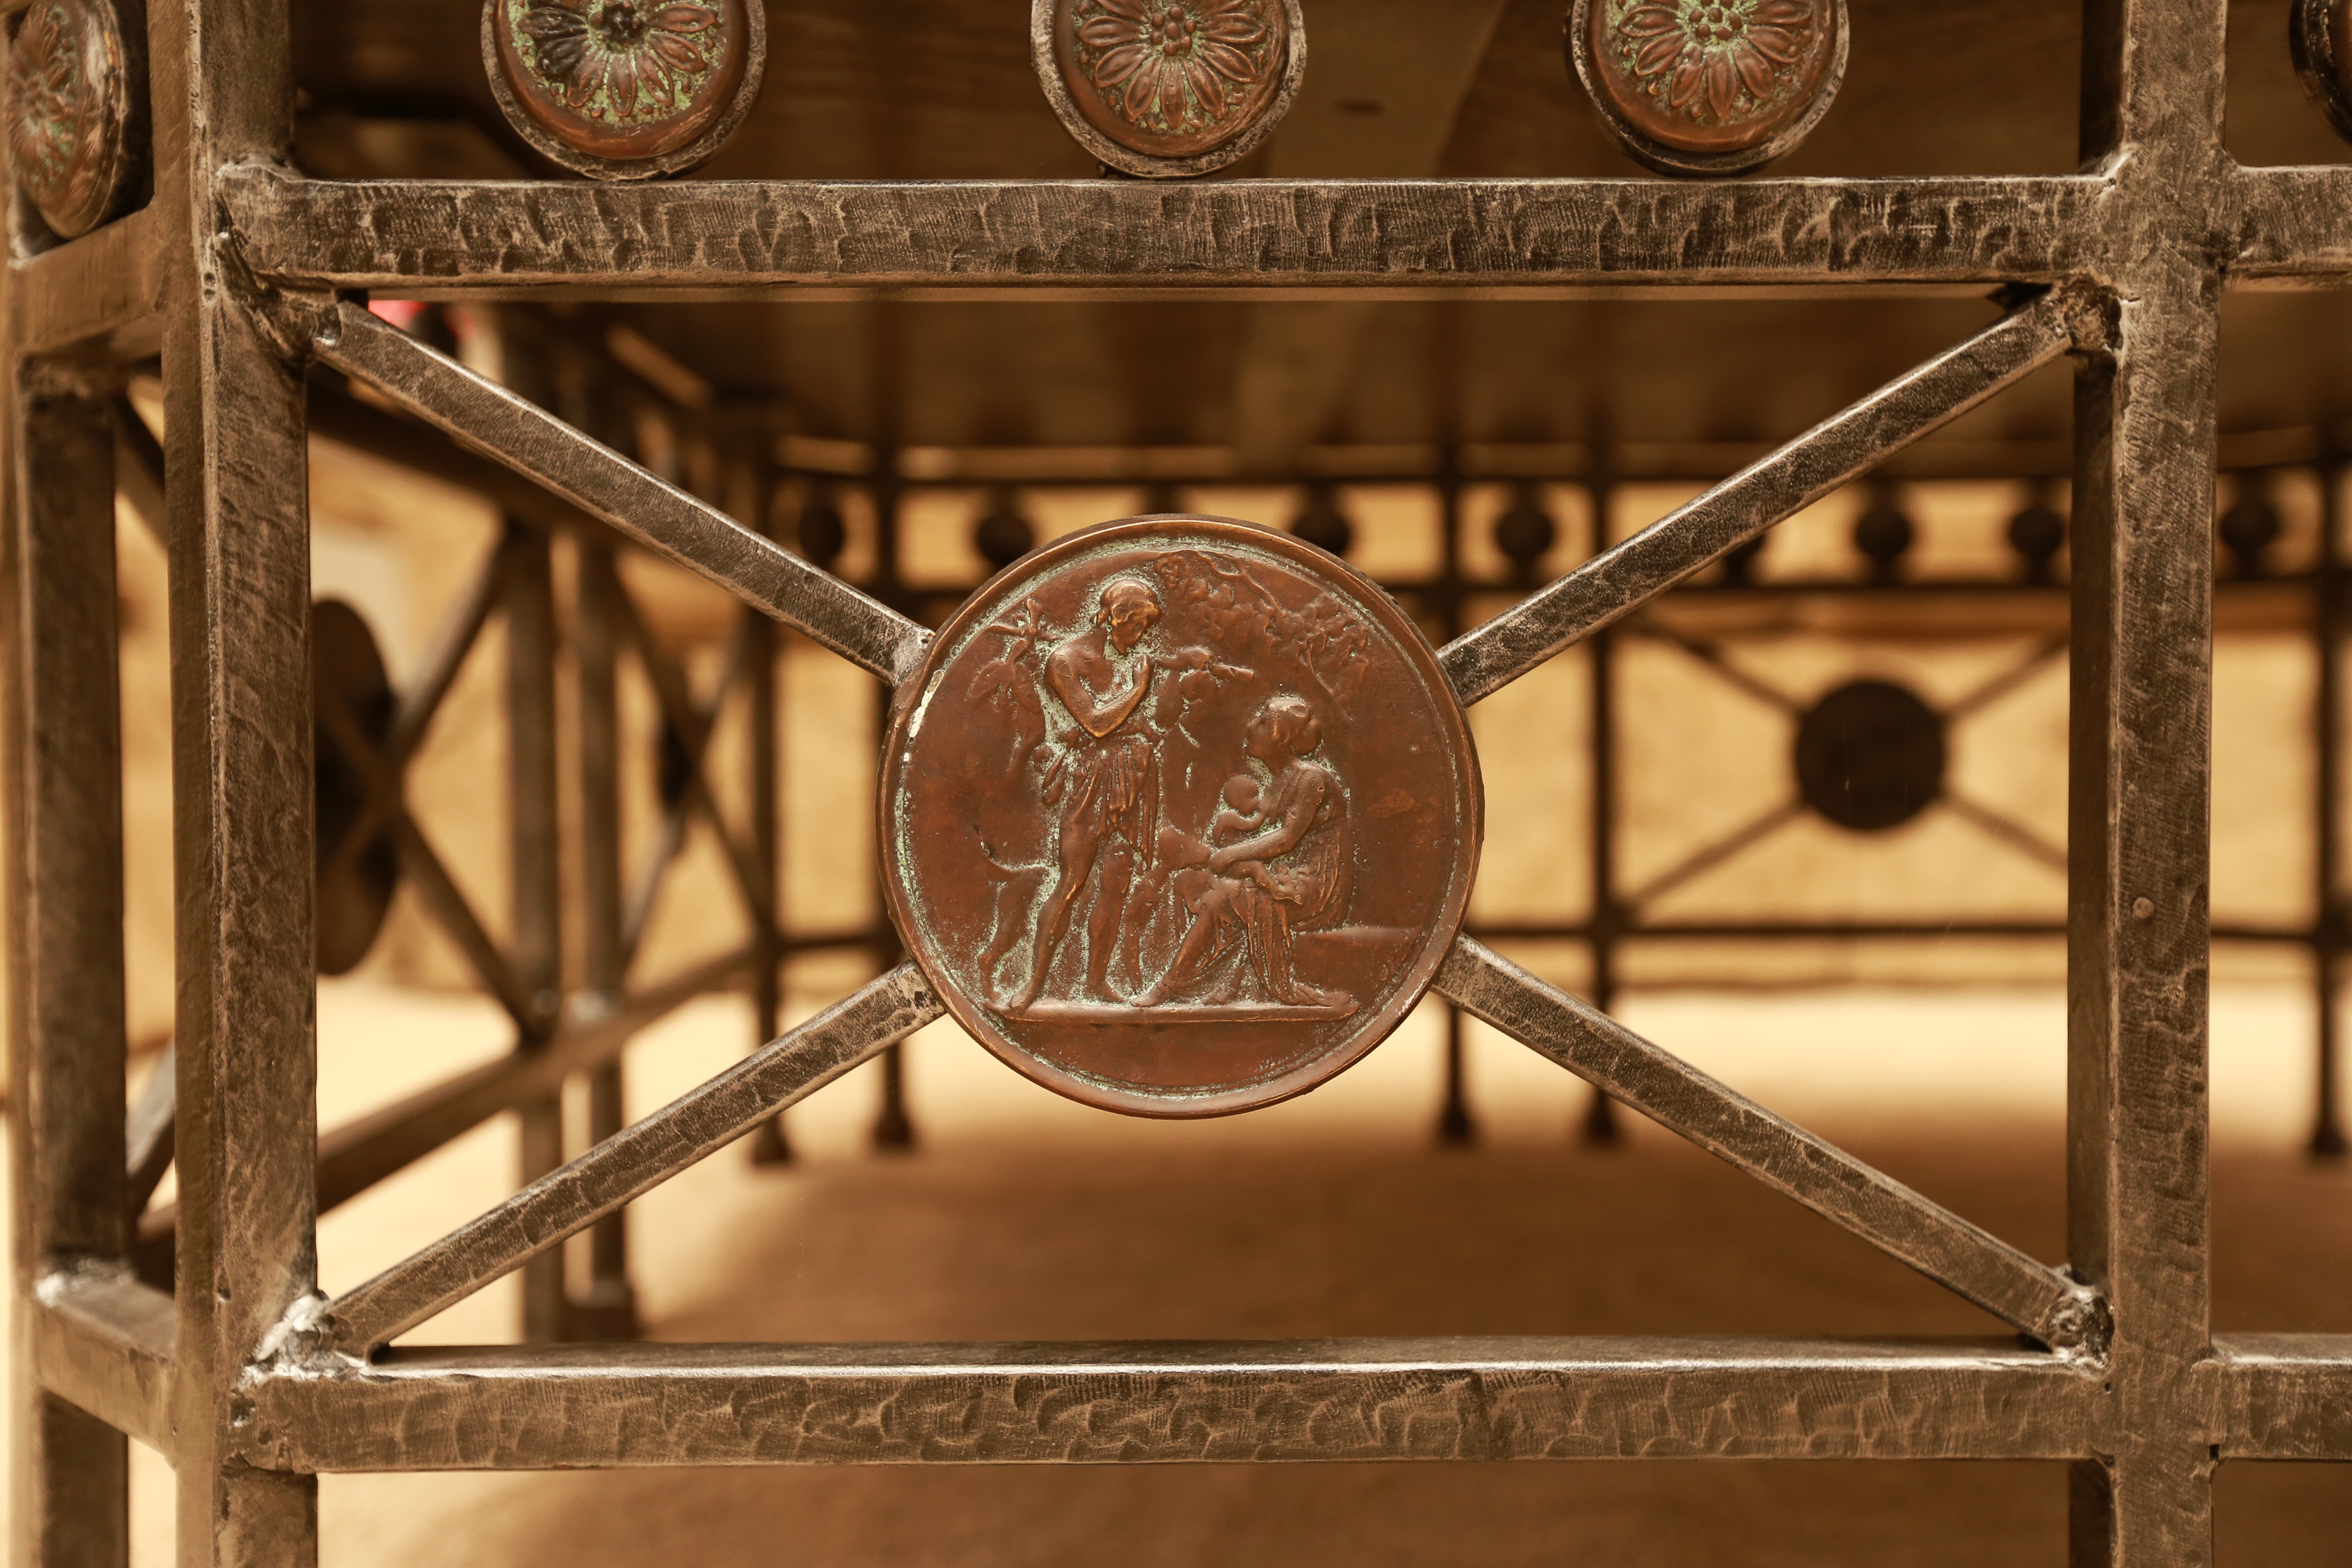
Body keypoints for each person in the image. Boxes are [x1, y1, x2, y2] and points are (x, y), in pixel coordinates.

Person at [1004, 576, 1208, 1008]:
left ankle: (1096, 981)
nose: (1139, 637)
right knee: (1072, 881)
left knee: (1115, 883)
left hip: (1134, 774)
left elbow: (1153, 701)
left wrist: (1178, 669)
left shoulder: (1129, 654)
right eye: (1135, 627)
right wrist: (1139, 689)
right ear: (1113, 617)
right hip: (1093, 779)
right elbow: (1095, 722)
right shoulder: (1064, 660)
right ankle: (1032, 985)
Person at [1138, 693, 1353, 1012]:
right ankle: (1222, 983)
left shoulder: (1311, 778)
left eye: (1264, 723)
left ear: (1282, 739)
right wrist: (1227, 833)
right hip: (1288, 869)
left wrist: (1232, 855)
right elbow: (1256, 826)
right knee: (1197, 883)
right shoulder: (1279, 782)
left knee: (1225, 895)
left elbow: (1286, 839)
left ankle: (1169, 986)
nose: (1252, 727)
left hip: (1317, 878)